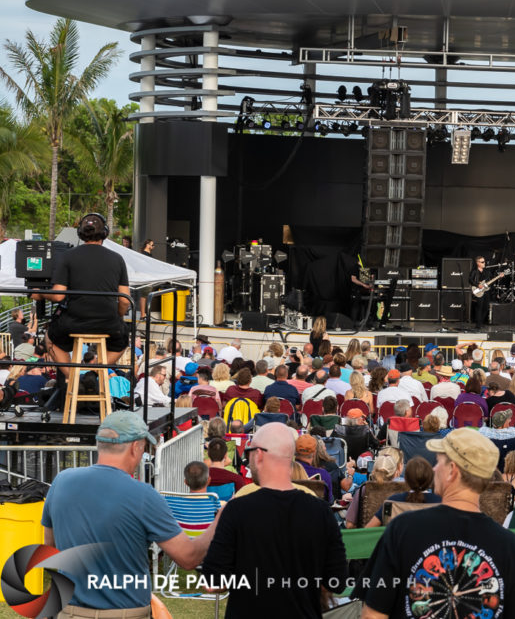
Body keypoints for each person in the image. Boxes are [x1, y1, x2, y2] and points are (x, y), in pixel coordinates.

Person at [42, 411, 218, 615]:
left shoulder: (61, 481)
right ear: (136, 447)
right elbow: (188, 557)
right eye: (144, 448)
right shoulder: (143, 494)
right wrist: (221, 520)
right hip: (124, 611)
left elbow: (50, 546)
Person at [356, 428, 515, 617]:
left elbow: (373, 614)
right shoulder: (510, 546)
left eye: (438, 462)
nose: (434, 469)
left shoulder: (402, 529)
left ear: (452, 470)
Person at [203, 423, 346, 617]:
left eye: (249, 452)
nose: (247, 459)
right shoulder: (321, 511)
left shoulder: (237, 510)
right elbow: (336, 580)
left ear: (259, 454)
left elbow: (214, 581)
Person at [33, 213, 130, 381]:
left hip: (73, 321)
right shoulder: (118, 259)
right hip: (108, 322)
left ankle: (74, 379)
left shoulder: (67, 256)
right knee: (122, 341)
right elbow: (124, 300)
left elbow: (57, 296)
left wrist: (39, 293)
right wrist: (117, 316)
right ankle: (94, 373)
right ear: (105, 233)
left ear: (80, 233)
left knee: (50, 339)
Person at [365, 456, 442, 528]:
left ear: (406, 479)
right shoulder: (441, 502)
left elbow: (368, 530)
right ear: (430, 478)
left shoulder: (392, 501)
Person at [469, 255, 495, 330]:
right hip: (478, 291)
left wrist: (499, 276)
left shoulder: (487, 271)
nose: (484, 263)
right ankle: (478, 325)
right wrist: (477, 285)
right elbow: (470, 280)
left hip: (486, 291)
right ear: (478, 263)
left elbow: (490, 280)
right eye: (482, 262)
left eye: (484, 261)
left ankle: (480, 322)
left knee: (486, 307)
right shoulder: (474, 271)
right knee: (479, 307)